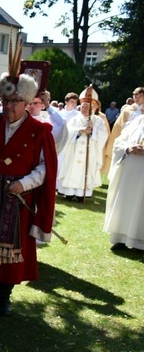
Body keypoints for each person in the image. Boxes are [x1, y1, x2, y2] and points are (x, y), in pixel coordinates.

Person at [0, 69, 58, 316]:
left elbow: (45, 169)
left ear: (27, 102)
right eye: (6, 100)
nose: (9, 106)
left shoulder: (39, 131)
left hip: (18, 200)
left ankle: (4, 296)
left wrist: (24, 184)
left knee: (12, 252)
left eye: (15, 101)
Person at [56, 86, 108, 201]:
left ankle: (81, 194)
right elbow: (67, 133)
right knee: (71, 169)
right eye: (83, 107)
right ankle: (69, 193)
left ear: (93, 108)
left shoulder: (98, 121)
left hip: (89, 153)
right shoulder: (75, 119)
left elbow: (104, 135)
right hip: (73, 151)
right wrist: (80, 131)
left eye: (87, 107)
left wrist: (93, 130)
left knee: (86, 170)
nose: (84, 109)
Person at [104, 115, 144, 251]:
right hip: (129, 174)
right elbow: (119, 142)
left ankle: (139, 242)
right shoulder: (138, 121)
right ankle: (120, 238)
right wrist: (128, 148)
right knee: (126, 203)